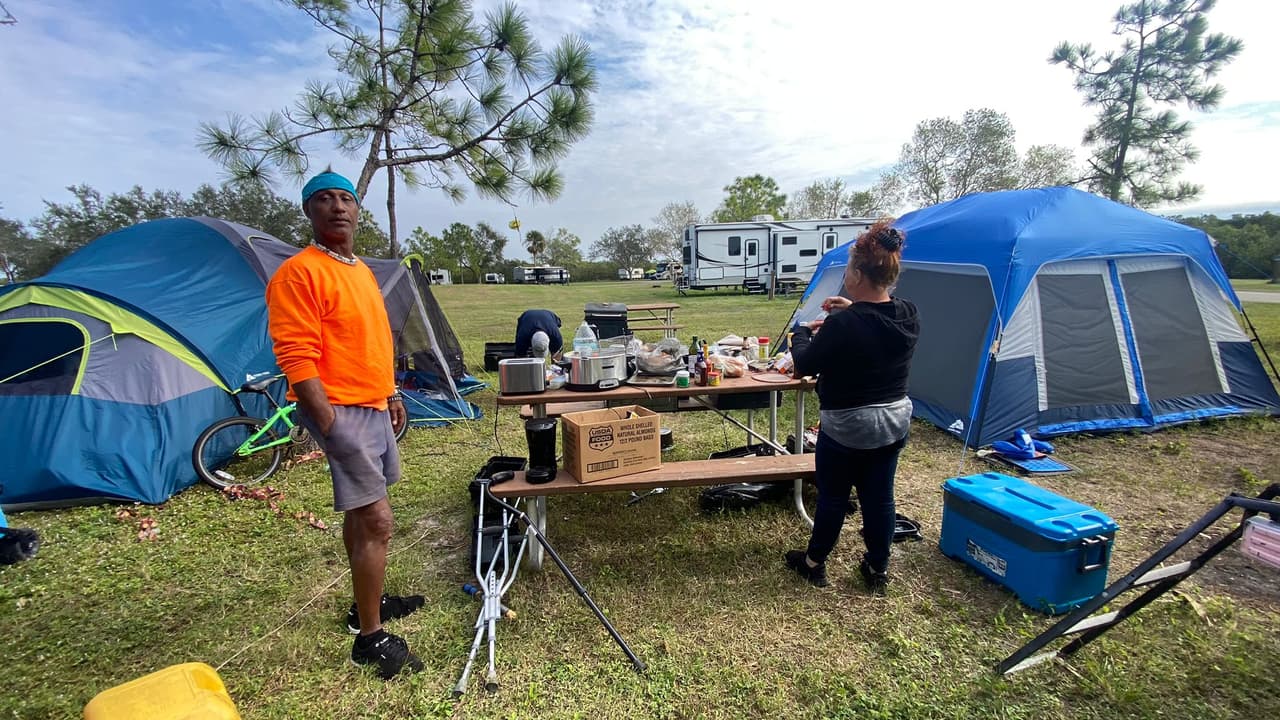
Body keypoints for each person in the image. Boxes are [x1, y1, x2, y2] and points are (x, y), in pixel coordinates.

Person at [265, 169, 424, 679]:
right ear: (309, 212)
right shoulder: (298, 273)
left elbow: (373, 339)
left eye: (345, 199)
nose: (338, 207)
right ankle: (370, 640)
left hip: (373, 403)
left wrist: (390, 391)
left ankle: (365, 608)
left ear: (357, 210)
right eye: (325, 200)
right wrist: (327, 420)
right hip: (340, 409)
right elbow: (296, 354)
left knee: (361, 514)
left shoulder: (358, 270)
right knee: (378, 520)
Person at [783, 219, 919, 593]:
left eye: (847, 270)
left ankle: (813, 563)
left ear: (858, 274)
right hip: (893, 421)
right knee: (880, 498)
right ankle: (878, 570)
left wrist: (801, 334)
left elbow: (805, 365)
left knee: (833, 497)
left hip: (846, 426)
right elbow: (874, 321)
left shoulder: (846, 325)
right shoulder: (908, 313)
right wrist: (850, 308)